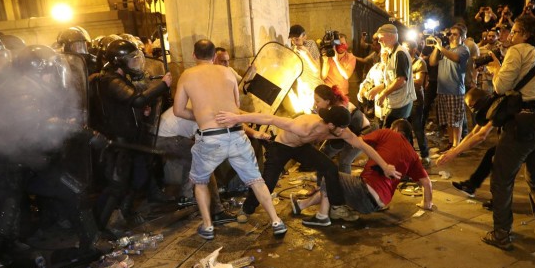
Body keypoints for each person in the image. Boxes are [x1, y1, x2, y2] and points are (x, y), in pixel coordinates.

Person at [173, 39, 287, 239]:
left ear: (193, 55)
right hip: (236, 134)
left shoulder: (187, 75)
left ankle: (208, 226)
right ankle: (276, 221)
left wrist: (202, 116)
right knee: (255, 180)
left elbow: (178, 110)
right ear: (215, 57)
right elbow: (235, 105)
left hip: (209, 139)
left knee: (200, 183)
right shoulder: (227, 72)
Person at [215, 106, 401, 219]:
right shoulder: (304, 126)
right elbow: (269, 118)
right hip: (281, 146)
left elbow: (363, 145)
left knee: (329, 167)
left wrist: (385, 166)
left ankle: (336, 207)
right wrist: (237, 118)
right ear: (330, 125)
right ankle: (247, 209)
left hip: (301, 148)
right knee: (268, 183)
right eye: (341, 128)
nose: (344, 131)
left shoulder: (340, 130)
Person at [484, 15, 535, 250]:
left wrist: (496, 70)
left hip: (526, 121)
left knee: (501, 177)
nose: (510, 36)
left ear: (525, 35)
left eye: (515, 32)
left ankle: (501, 233)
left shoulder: (518, 51)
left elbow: (500, 86)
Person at [91, 39, 173, 229]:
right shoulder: (110, 80)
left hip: (130, 139)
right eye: (131, 60)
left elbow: (125, 105)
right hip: (118, 143)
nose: (136, 63)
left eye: (137, 58)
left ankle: (124, 213)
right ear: (118, 62)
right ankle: (99, 226)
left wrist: (139, 111)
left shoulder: (121, 78)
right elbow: (136, 100)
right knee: (116, 185)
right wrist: (163, 85)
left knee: (137, 178)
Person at [290, 119, 433, 227]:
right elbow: (427, 183)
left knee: (330, 174)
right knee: (336, 186)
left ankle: (322, 216)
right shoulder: (413, 155)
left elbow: (356, 141)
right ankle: (301, 205)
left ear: (393, 128)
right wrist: (427, 203)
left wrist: (330, 136)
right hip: (378, 204)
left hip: (364, 191)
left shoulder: (388, 133)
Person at [156, 106, 239, 224]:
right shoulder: (204, 108)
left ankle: (186, 197)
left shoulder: (198, 99)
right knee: (205, 165)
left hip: (159, 136)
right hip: (168, 139)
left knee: (192, 158)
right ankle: (216, 212)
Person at [428, 24, 470, 152]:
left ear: (463, 37)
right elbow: (432, 62)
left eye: (455, 34)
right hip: (442, 90)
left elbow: (455, 58)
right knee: (447, 119)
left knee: (456, 120)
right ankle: (451, 143)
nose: (451, 36)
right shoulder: (444, 48)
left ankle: (456, 146)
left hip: (455, 90)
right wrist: (437, 47)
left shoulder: (463, 49)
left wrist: (440, 47)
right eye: (450, 34)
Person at [314, 85, 370, 174]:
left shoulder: (339, 110)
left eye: (317, 101)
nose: (315, 104)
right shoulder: (333, 107)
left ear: (327, 101)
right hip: (353, 131)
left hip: (365, 132)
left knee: (344, 161)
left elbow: (339, 132)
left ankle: (345, 185)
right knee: (326, 153)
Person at [368, 24, 416, 128]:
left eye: (381, 38)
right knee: (399, 132)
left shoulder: (399, 54)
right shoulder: (392, 53)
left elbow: (400, 80)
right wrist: (378, 89)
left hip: (400, 102)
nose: (379, 41)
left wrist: (383, 93)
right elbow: (392, 79)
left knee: (390, 132)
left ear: (392, 37)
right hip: (398, 101)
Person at [402, 40, 430, 165]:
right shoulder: (402, 62)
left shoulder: (420, 62)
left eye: (407, 47)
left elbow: (419, 82)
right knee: (405, 127)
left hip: (416, 100)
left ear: (414, 49)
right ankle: (410, 154)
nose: (404, 49)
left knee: (417, 127)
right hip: (404, 99)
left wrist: (402, 80)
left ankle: (425, 155)